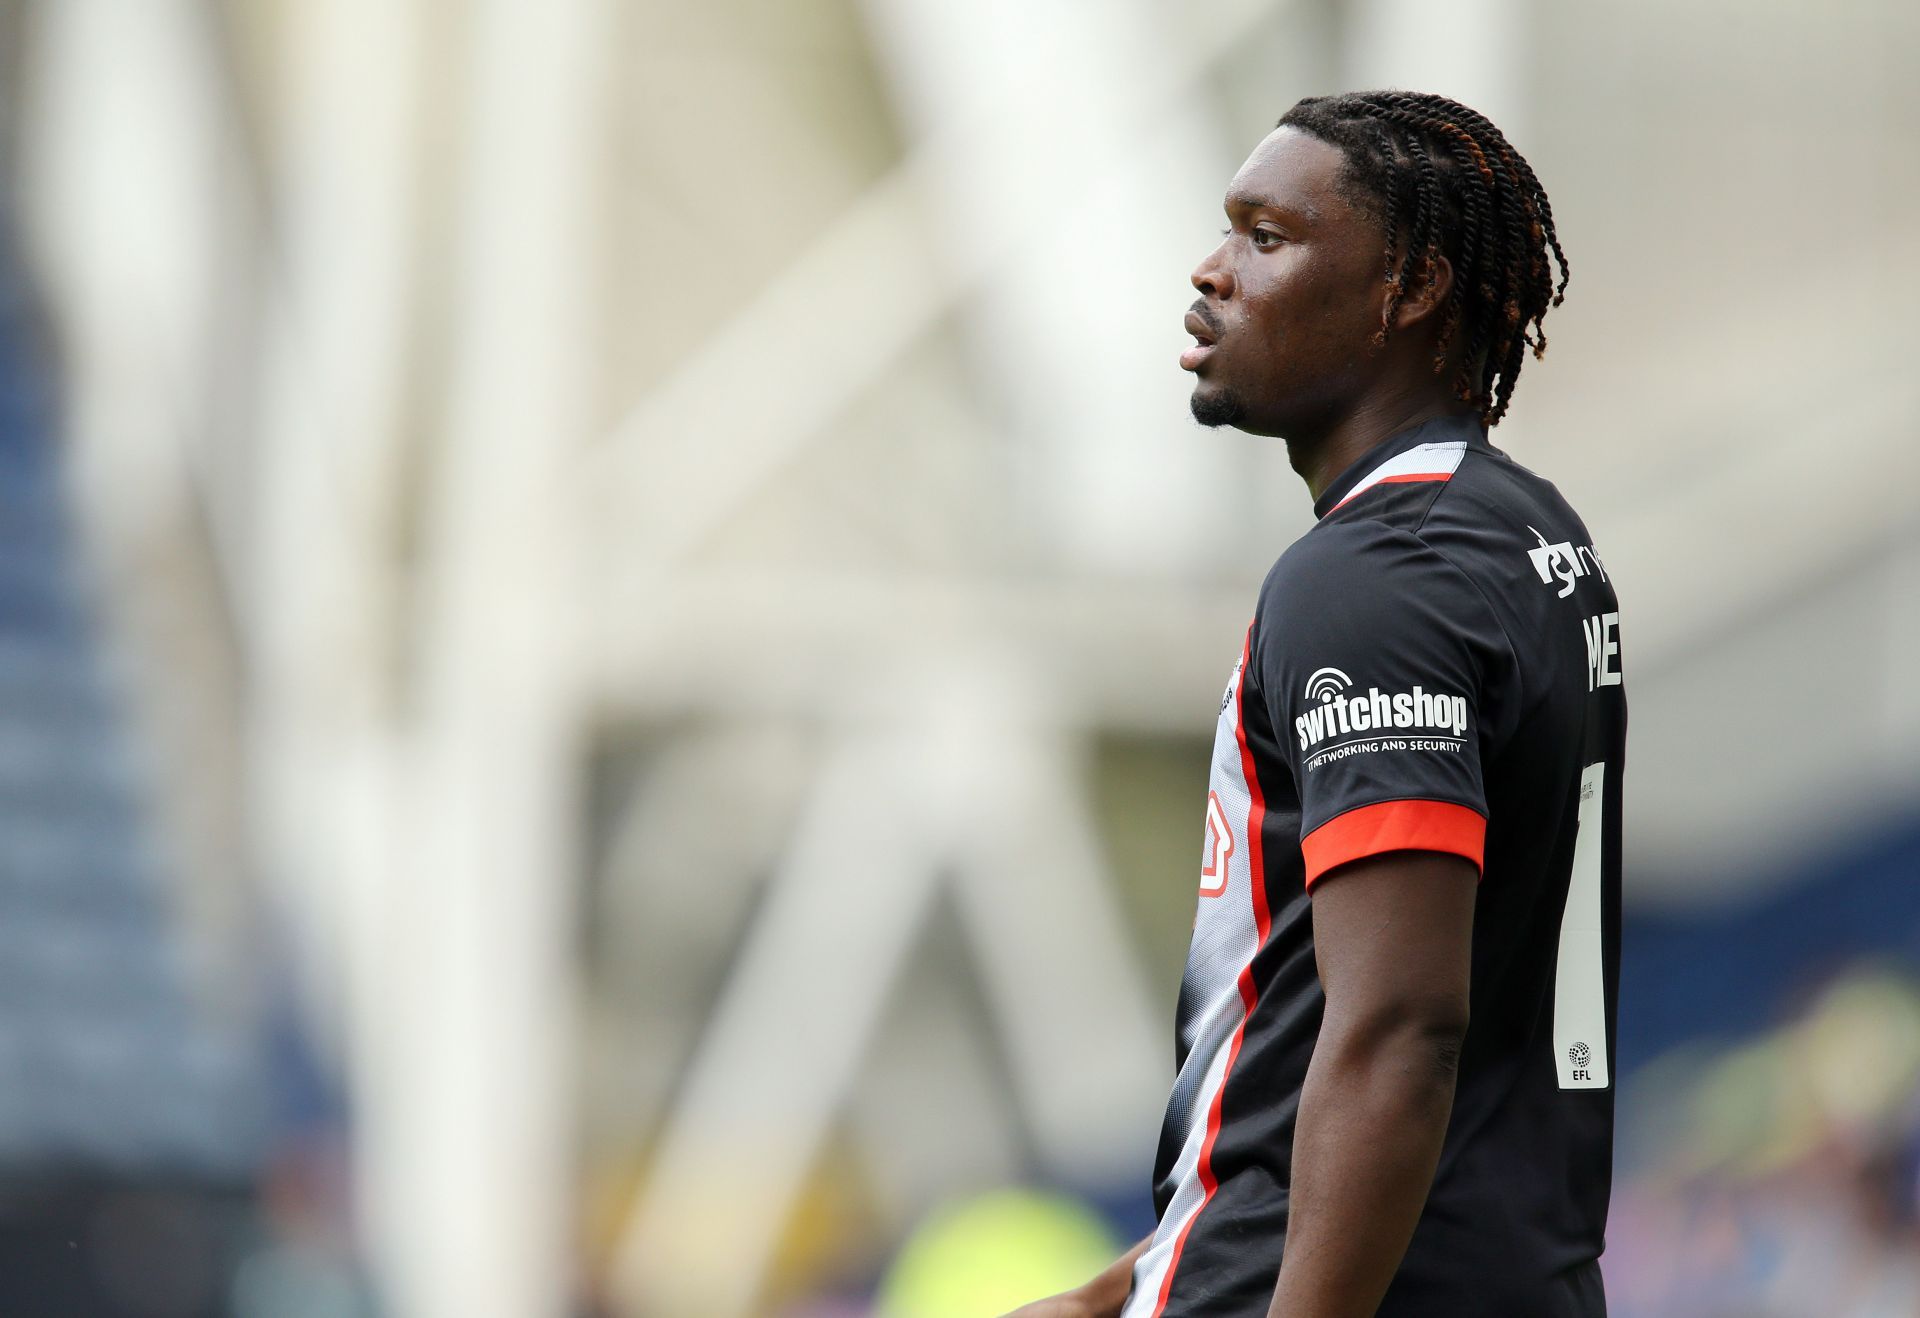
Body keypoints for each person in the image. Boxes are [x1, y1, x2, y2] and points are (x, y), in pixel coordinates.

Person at [1010, 90, 1624, 1318]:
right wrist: (1118, 1289)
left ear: (1409, 288)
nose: (1212, 268)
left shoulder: (1372, 578)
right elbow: (1367, 1035)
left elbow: (1402, 1032)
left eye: (1265, 237)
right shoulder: (1528, 533)